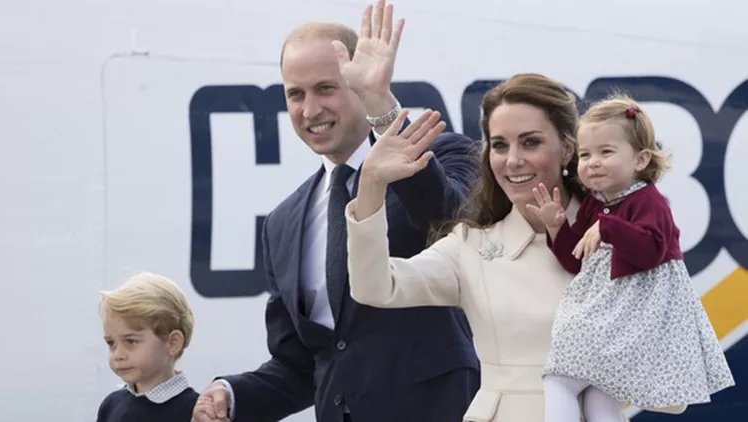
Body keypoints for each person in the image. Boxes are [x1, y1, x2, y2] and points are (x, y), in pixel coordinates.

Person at [344, 73, 695, 421]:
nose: (512, 160)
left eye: (530, 143)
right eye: (499, 145)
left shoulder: (627, 238)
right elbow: (375, 286)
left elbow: (672, 381)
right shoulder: (470, 246)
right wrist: (371, 184)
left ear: (569, 149)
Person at [191, 1, 480, 421]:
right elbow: (301, 364)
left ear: (361, 83)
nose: (310, 110)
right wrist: (230, 394)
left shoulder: (438, 157)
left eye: (326, 88)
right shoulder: (283, 224)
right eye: (295, 94)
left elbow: (452, 223)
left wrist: (382, 105)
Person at [527, 93, 735, 422]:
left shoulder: (648, 200)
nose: (592, 162)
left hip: (635, 320)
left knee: (560, 379)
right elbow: (575, 260)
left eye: (605, 152)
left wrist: (608, 227)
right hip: (610, 316)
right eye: (584, 154)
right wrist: (557, 227)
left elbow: (651, 251)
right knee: (598, 393)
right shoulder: (596, 203)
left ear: (640, 160)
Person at [96, 272, 198, 422]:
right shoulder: (111, 405)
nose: (118, 355)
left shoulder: (197, 412)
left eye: (130, 341)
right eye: (111, 343)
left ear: (173, 343)